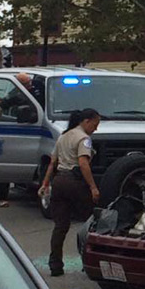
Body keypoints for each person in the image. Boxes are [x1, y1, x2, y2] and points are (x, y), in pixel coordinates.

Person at [38, 109, 101, 277]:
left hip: (59, 182)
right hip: (75, 183)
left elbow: (52, 163)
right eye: (95, 125)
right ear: (86, 121)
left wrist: (45, 184)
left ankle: (55, 265)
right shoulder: (84, 139)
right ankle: (92, 263)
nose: (96, 129)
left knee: (60, 226)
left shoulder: (63, 136)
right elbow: (83, 163)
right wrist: (93, 187)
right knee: (92, 221)